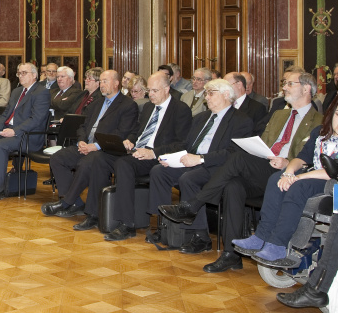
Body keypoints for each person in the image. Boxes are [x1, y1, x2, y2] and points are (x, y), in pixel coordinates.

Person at [159, 71, 323, 273]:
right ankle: (231, 255)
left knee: (236, 157)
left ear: (306, 88)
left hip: (287, 174)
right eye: (285, 83)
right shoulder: (279, 114)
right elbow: (263, 143)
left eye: (290, 83)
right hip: (263, 167)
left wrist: (287, 162)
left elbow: (311, 158)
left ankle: (193, 205)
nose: (284, 87)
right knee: (233, 185)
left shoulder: (319, 121)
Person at [232, 91, 338, 262]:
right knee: (276, 179)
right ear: (332, 113)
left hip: (336, 184)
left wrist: (298, 178)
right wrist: (288, 173)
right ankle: (261, 236)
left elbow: (335, 172)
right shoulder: (320, 132)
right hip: (311, 174)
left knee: (298, 187)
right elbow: (301, 158)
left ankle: (278, 244)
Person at [77, 72, 191, 239]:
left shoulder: (180, 110)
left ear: (167, 89)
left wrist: (152, 152)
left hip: (156, 157)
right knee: (99, 158)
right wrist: (130, 140)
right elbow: (137, 131)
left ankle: (126, 223)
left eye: (154, 91)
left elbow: (182, 144)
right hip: (136, 152)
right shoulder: (148, 108)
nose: (150, 94)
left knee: (124, 164)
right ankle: (94, 214)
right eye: (149, 90)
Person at [148, 78, 254, 254]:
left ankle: (200, 237)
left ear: (226, 95)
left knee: (189, 178)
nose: (207, 97)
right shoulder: (201, 118)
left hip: (217, 167)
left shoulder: (241, 121)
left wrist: (201, 159)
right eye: (206, 93)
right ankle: (165, 228)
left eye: (211, 93)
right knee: (159, 171)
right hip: (193, 161)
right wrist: (172, 158)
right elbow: (186, 145)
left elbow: (233, 153)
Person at [42, 70, 138, 219]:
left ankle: (67, 202)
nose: (102, 85)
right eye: (101, 81)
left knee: (87, 163)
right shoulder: (97, 103)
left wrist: (96, 146)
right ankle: (77, 204)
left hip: (106, 150)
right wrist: (81, 141)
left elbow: (121, 134)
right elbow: (83, 126)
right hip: (86, 145)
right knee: (58, 158)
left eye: (105, 81)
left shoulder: (127, 105)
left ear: (116, 83)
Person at [0, 63, 51, 202]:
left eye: (24, 73)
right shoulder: (17, 92)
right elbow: (5, 114)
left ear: (34, 75)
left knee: (2, 145)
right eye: (19, 73)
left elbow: (36, 119)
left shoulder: (41, 92)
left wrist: (15, 131)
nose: (20, 76)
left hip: (28, 136)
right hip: (8, 132)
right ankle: (0, 180)